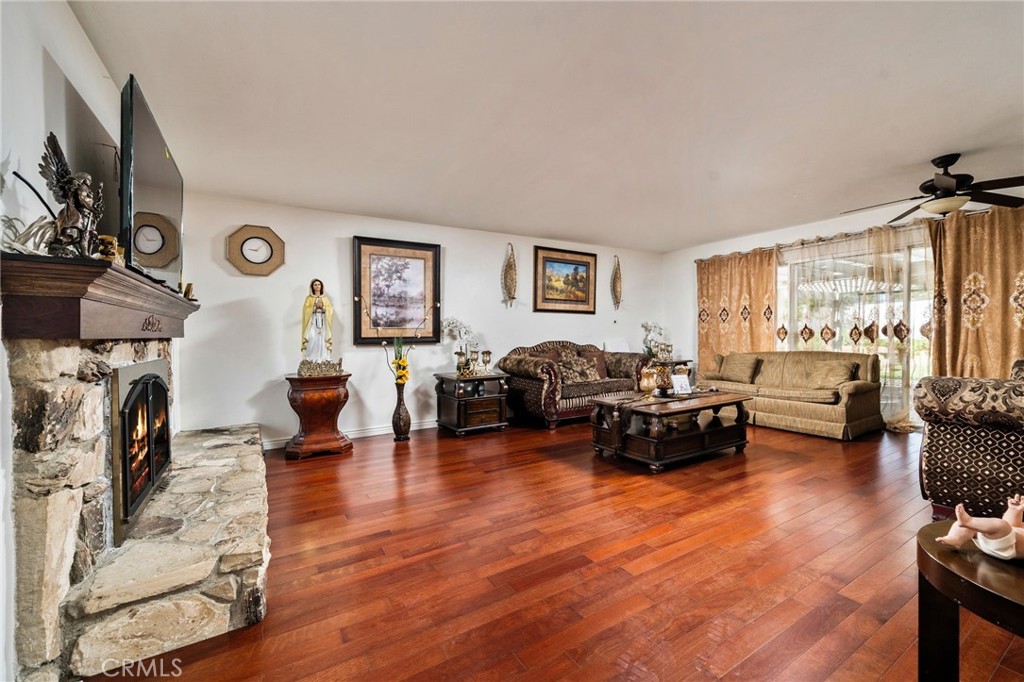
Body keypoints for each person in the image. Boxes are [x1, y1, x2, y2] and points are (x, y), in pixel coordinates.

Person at [935, 495, 1024, 560]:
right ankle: (955, 538)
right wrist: (1014, 511)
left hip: (1007, 548)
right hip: (990, 540)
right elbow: (1011, 525)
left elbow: (1007, 529)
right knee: (968, 527)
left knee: (1001, 525)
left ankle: (968, 522)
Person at [301, 279, 333, 362]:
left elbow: (330, 310)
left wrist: (323, 308)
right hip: (312, 322)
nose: (317, 286)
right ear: (312, 287)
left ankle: (322, 358)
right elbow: (305, 310)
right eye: (315, 284)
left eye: (319, 284)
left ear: (321, 286)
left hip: (322, 322)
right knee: (311, 337)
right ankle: (311, 359)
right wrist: (314, 308)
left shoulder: (325, 298)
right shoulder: (309, 298)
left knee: (322, 339)